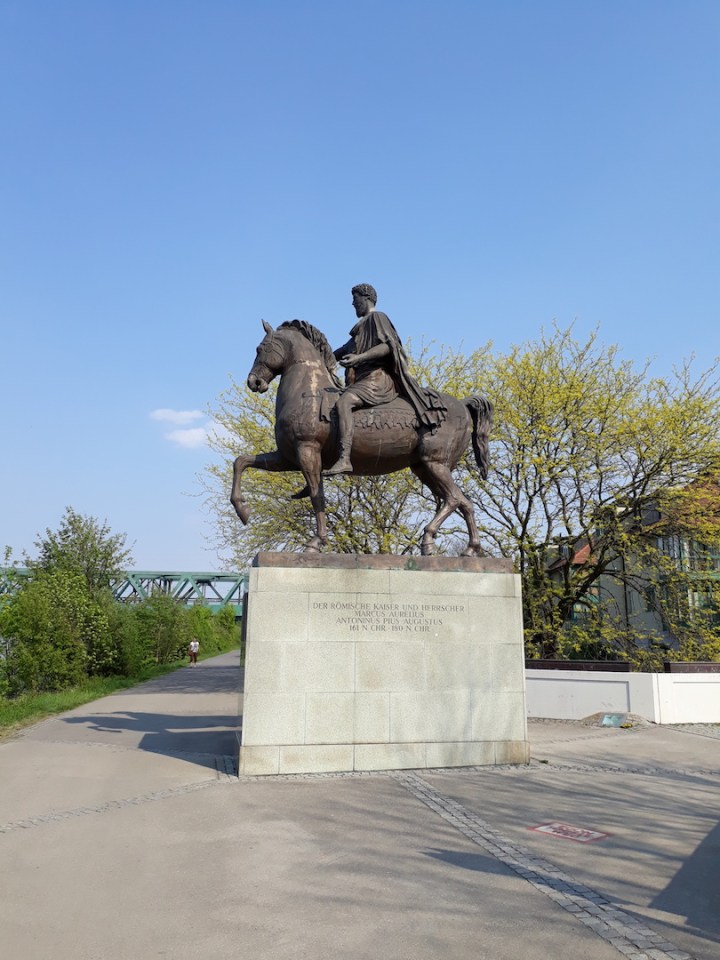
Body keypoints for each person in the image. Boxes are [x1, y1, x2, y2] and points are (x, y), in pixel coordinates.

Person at [324, 283, 447, 475]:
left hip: (377, 380)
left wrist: (359, 358)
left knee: (344, 402)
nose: (352, 304)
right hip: (364, 380)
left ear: (365, 297)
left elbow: (388, 347)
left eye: (355, 299)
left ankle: (344, 458)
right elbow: (340, 351)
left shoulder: (377, 318)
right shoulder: (361, 328)